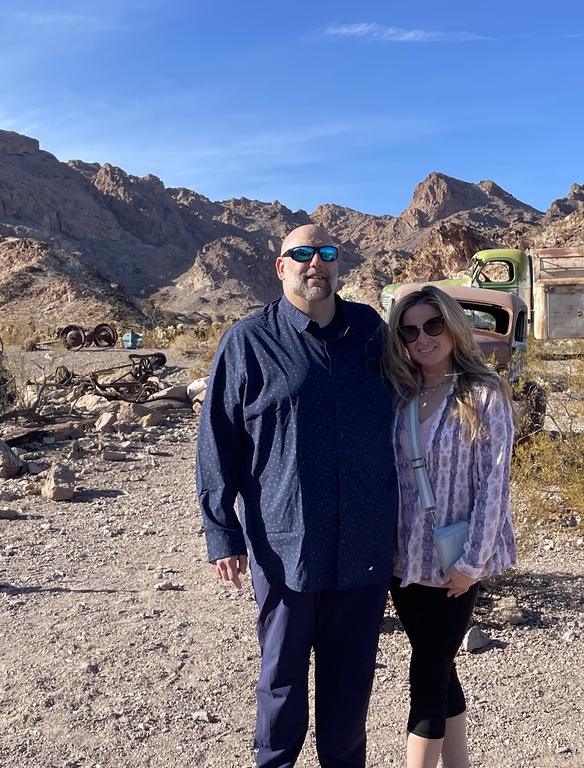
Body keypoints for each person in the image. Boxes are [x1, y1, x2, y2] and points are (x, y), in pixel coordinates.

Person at [196, 223, 398, 768]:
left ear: (339, 264)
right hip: (286, 546)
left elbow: (415, 400)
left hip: (365, 543)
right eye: (302, 253)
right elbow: (217, 441)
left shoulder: (371, 332)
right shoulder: (248, 341)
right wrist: (222, 532)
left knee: (350, 687)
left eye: (327, 252)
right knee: (282, 681)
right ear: (281, 267)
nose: (317, 263)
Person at [383, 285, 517, 768]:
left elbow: (494, 483)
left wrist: (471, 563)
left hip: (454, 563)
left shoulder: (483, 394)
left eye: (433, 325)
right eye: (410, 330)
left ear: (453, 327)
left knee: (425, 676)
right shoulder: (400, 394)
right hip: (405, 561)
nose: (423, 338)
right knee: (438, 666)